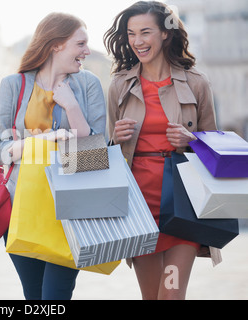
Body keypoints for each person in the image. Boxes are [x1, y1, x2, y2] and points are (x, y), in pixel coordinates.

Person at [0, 12, 106, 300]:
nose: (87, 52)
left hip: (71, 209)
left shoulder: (88, 85)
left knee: (56, 294)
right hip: (22, 207)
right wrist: (44, 140)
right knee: (34, 295)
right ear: (56, 44)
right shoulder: (13, 85)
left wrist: (72, 106)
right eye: (80, 44)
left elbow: (95, 155)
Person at [104, 1, 217, 300]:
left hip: (183, 206)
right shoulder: (119, 85)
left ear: (166, 34)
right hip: (139, 207)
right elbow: (109, 153)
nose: (137, 41)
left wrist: (192, 140)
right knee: (152, 296)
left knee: (171, 294)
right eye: (131, 34)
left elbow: (216, 149)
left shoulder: (197, 83)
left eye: (145, 32)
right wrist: (115, 139)